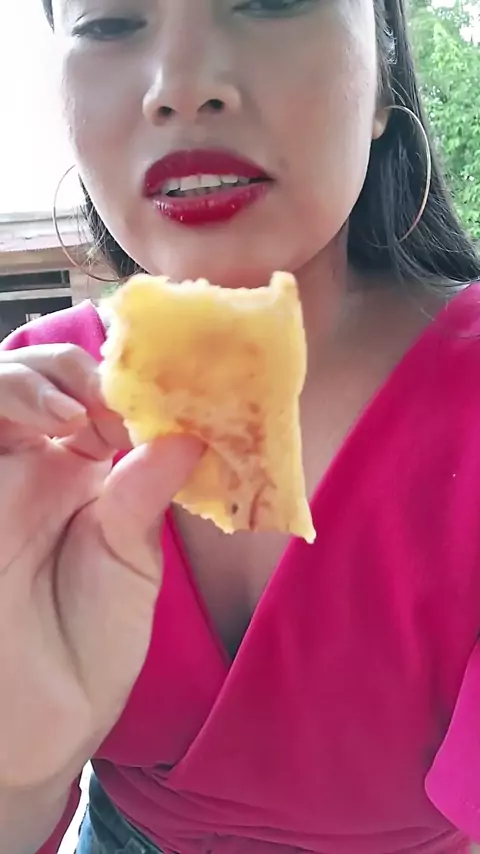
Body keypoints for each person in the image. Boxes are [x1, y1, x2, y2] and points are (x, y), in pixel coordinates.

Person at [2, 0, 480, 852]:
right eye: (109, 22)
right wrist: (20, 777)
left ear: (382, 79)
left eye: (269, 1)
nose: (181, 86)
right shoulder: (31, 419)